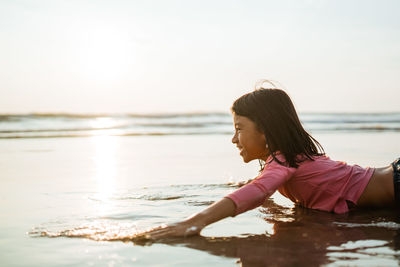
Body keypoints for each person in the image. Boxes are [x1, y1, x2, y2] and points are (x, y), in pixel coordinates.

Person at [136, 81, 398, 240]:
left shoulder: (284, 162)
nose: (233, 139)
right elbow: (257, 186)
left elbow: (257, 192)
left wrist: (194, 221)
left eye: (239, 128)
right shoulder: (288, 161)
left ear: (266, 130)